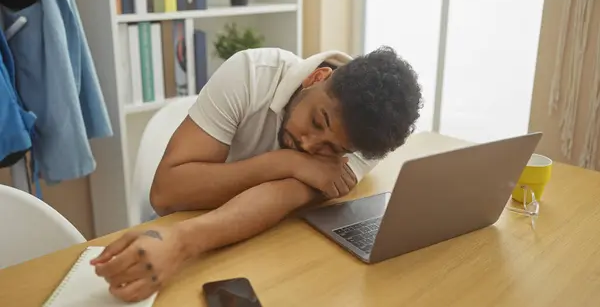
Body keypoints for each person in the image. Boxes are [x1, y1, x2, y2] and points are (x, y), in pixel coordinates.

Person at [90, 46, 423, 302]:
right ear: (316, 78)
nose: (308, 145)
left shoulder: (368, 135)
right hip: (180, 222)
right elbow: (166, 195)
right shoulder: (250, 72)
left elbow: (281, 198)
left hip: (254, 239)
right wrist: (286, 164)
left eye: (332, 150)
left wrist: (185, 243)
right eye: (317, 122)